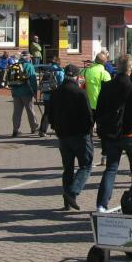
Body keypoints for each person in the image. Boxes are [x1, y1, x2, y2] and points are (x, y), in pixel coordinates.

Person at [95, 54, 132, 212]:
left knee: (111, 168)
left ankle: (101, 204)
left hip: (112, 134)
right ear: (131, 69)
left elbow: (100, 110)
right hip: (131, 134)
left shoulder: (107, 86)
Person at [48, 64, 94, 210]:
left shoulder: (56, 92)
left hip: (63, 135)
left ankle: (67, 202)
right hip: (80, 135)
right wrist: (89, 130)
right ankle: (72, 192)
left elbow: (50, 113)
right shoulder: (80, 93)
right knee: (85, 165)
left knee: (68, 168)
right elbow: (88, 115)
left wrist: (55, 126)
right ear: (77, 76)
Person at [84, 51, 112, 164]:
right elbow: (109, 91)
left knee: (88, 132)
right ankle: (104, 156)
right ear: (105, 62)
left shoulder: (87, 71)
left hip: (88, 105)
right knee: (104, 133)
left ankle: (87, 157)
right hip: (101, 106)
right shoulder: (105, 74)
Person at [11, 51, 39, 137]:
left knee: (17, 112)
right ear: (27, 57)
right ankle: (34, 128)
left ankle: (16, 130)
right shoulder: (29, 66)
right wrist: (35, 92)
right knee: (30, 111)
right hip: (27, 92)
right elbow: (33, 80)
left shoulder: (14, 65)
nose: (31, 58)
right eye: (30, 57)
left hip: (16, 92)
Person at [39, 56, 65, 137]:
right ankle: (57, 130)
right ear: (59, 62)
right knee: (57, 113)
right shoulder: (59, 70)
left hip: (46, 95)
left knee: (46, 113)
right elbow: (62, 83)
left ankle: (42, 130)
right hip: (55, 95)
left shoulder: (47, 69)